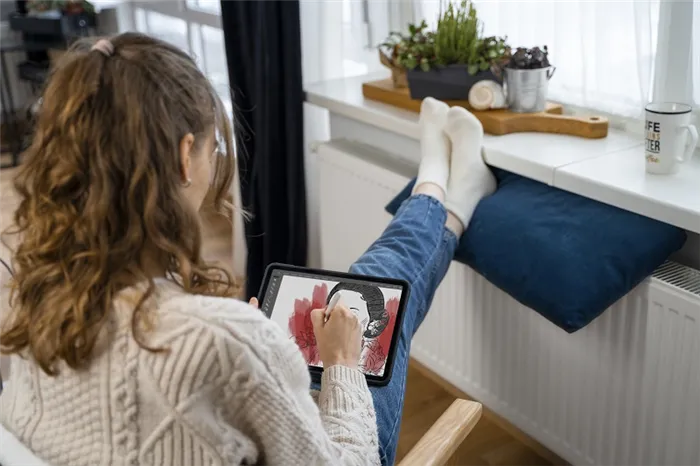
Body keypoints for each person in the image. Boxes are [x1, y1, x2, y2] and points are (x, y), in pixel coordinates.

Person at [0, 33, 495, 466]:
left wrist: (251, 355)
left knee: (357, 295)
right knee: (372, 298)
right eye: (214, 148)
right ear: (182, 158)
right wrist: (338, 361)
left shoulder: (31, 295)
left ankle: (442, 196)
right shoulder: (225, 341)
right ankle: (441, 194)